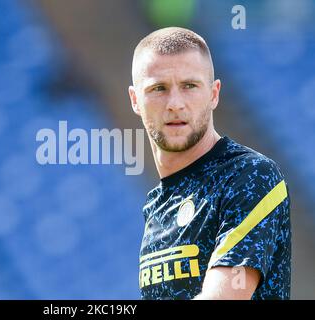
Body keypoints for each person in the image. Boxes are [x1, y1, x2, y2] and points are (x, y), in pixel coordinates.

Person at [128, 27, 291, 300]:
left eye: (189, 86)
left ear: (214, 94)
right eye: (159, 88)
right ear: (135, 100)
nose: (175, 103)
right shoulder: (157, 204)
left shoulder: (250, 176)